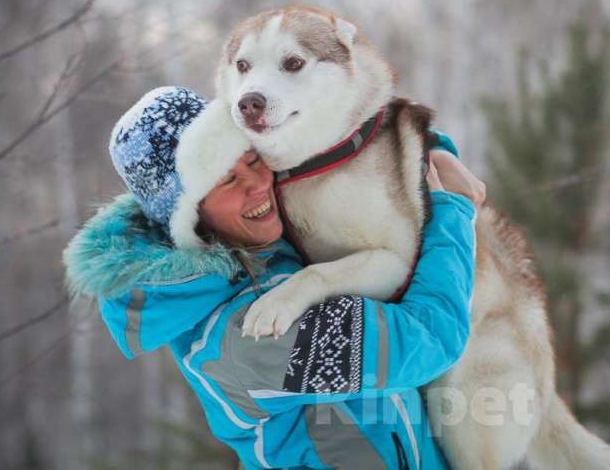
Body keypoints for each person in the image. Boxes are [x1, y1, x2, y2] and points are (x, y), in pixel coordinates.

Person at [63, 86, 483, 469]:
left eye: (251, 159)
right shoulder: (246, 340)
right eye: (228, 180)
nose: (258, 185)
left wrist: (433, 151)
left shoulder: (259, 239)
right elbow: (429, 339)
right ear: (188, 215)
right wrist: (453, 213)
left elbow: (355, 156)